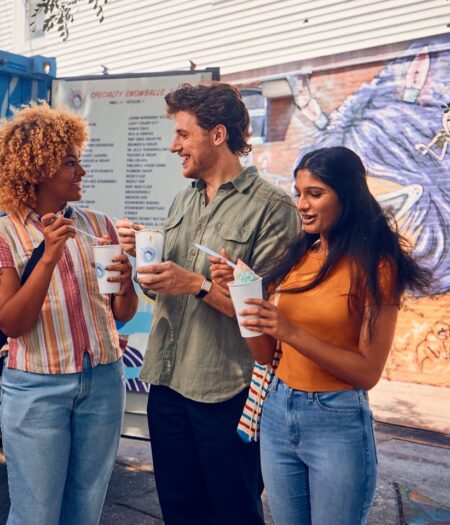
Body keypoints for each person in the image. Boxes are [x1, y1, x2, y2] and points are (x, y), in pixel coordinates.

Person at [116, 82, 299, 525]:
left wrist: (197, 285)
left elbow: (270, 315)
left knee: (233, 512)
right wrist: (146, 257)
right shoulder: (184, 199)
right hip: (167, 382)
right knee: (179, 512)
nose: (173, 145)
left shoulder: (273, 208)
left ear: (217, 134)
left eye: (183, 134)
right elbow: (164, 289)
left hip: (226, 390)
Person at [220, 146, 431, 525]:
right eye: (298, 192)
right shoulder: (297, 258)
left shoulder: (377, 267)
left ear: (347, 196)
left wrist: (290, 330)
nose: (301, 203)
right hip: (276, 410)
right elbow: (266, 354)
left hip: (335, 419)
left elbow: (367, 373)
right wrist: (243, 299)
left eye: (315, 193)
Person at [0, 102, 138, 525]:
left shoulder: (100, 226)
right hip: (36, 388)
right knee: (37, 512)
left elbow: (122, 314)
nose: (81, 171)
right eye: (70, 162)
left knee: (85, 507)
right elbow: (12, 323)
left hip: (103, 381)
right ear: (39, 167)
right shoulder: (6, 233)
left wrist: (126, 281)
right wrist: (47, 258)